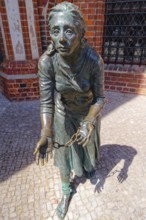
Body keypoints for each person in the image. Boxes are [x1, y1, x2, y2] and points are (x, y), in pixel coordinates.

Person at [34, 2, 105, 219]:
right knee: (63, 152)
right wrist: (46, 131)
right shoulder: (47, 62)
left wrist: (89, 122)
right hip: (63, 111)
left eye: (69, 30)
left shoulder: (94, 60)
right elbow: (46, 102)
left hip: (87, 111)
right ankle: (66, 190)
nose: (62, 38)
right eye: (55, 31)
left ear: (81, 33)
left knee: (89, 153)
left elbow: (100, 97)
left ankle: (88, 164)